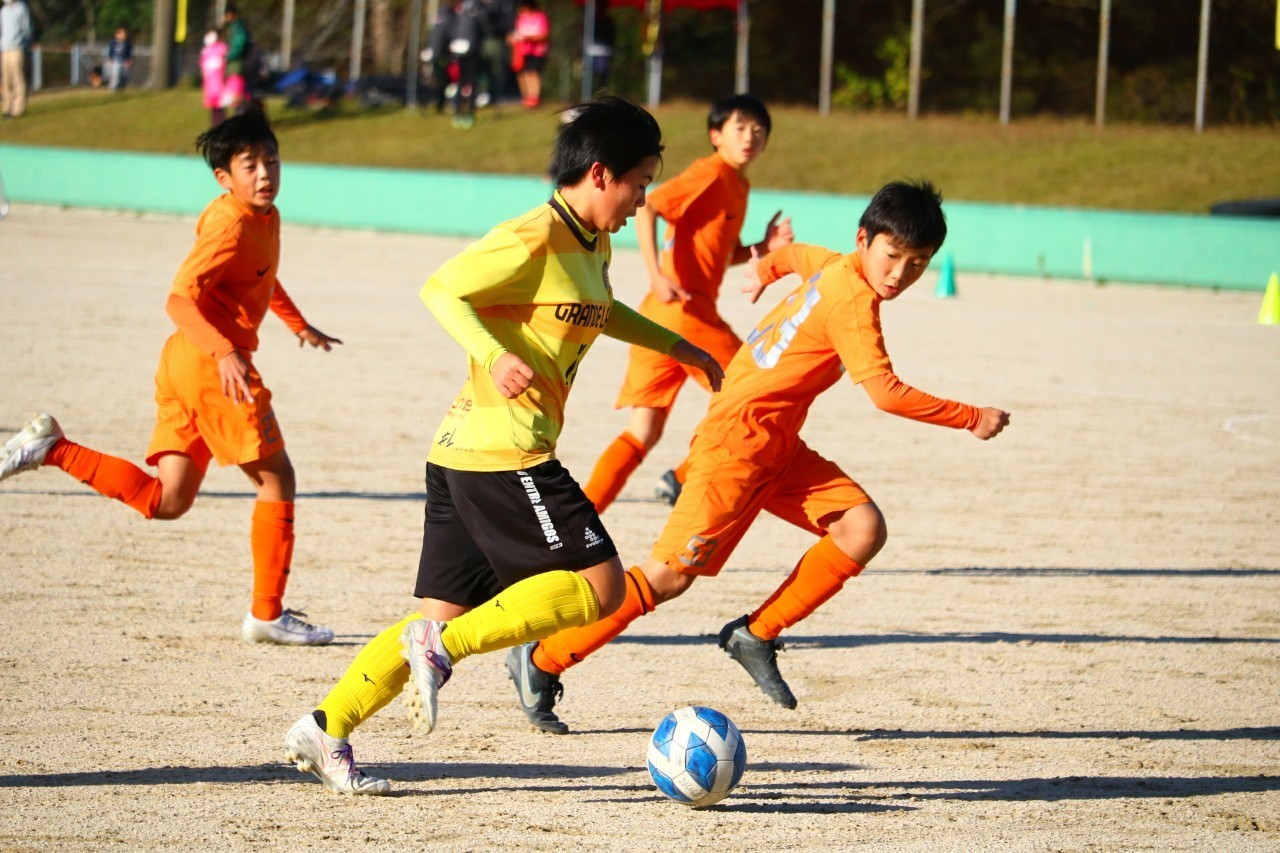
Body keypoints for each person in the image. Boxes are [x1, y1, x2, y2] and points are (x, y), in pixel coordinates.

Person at [282, 95, 725, 795]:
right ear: (602, 174)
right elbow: (441, 289)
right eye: (640, 183)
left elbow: (600, 311)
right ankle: (443, 649)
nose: (644, 200)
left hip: (463, 453)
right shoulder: (535, 234)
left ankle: (325, 724)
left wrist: (680, 347)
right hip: (504, 452)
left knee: (436, 615)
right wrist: (493, 355)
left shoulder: (593, 241)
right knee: (601, 585)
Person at [505, 180, 1011, 734]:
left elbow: (795, 255)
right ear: (864, 239)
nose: (899, 274)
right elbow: (884, 392)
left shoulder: (836, 264)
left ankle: (756, 634)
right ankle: (541, 659)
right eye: (893, 257)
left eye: (918, 264)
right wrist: (971, 416)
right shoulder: (854, 301)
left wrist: (763, 270)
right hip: (734, 446)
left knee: (862, 528)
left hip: (777, 446)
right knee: (668, 578)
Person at [0, 108, 343, 647]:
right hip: (212, 365)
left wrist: (300, 326)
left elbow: (261, 278)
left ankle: (53, 449)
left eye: (271, 160)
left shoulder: (263, 217)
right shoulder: (231, 223)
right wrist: (227, 350)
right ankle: (267, 614)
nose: (265, 174)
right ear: (223, 178)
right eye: (249, 165)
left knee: (168, 501)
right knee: (278, 479)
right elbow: (179, 298)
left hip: (184, 361)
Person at [582, 94, 793, 514]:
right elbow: (650, 208)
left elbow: (719, 251)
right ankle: (681, 478)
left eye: (758, 130)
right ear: (716, 135)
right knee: (755, 393)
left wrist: (762, 246)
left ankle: (580, 519)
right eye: (739, 128)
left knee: (643, 431)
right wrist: (657, 275)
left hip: (659, 315)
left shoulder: (739, 184)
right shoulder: (711, 173)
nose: (749, 137)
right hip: (683, 311)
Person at [429, 0, 490, 129]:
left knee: (466, 81)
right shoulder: (464, 11)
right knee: (465, 81)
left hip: (465, 50)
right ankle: (463, 113)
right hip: (465, 50)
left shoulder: (468, 9)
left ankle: (464, 112)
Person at [509, 0, 549, 108]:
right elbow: (516, 33)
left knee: (532, 73)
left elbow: (544, 34)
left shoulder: (540, 17)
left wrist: (530, 38)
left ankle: (534, 98)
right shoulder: (520, 19)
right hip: (522, 51)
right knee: (522, 74)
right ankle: (526, 97)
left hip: (537, 51)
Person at [0, 0, 32, 118]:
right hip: (5, 49)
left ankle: (18, 109)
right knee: (6, 80)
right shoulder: (3, 11)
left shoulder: (21, 8)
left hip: (17, 48)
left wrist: (26, 45)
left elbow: (26, 29)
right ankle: (7, 108)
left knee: (18, 79)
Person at [222, 3, 252, 113]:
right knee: (236, 96)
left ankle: (242, 119)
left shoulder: (238, 29)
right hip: (233, 67)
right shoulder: (232, 28)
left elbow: (238, 47)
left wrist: (226, 55)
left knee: (238, 96)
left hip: (237, 66)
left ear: (231, 14)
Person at [200, 29, 229, 126]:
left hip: (220, 84)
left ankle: (222, 126)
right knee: (214, 109)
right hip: (210, 86)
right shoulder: (206, 51)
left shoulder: (222, 48)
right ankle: (215, 126)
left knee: (221, 107)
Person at [104, 27, 133, 92]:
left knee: (124, 75)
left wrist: (129, 60)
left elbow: (129, 53)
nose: (124, 35)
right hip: (115, 61)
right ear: (117, 35)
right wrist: (109, 59)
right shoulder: (113, 43)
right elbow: (110, 52)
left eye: (125, 34)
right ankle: (113, 88)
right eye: (122, 34)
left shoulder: (127, 43)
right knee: (115, 74)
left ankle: (121, 87)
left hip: (124, 61)